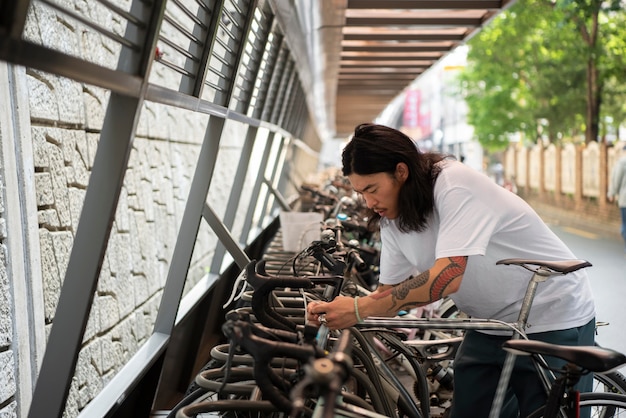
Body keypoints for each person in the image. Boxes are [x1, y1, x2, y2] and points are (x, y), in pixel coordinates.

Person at [308, 123, 596, 417]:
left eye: (372, 189)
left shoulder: (453, 185)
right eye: (360, 193)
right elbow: (389, 295)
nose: (368, 202)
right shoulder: (391, 219)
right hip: (491, 324)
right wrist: (336, 311)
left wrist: (359, 308)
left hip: (552, 316)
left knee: (547, 411)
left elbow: (447, 278)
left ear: (401, 171)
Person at [608, 144, 626, 251]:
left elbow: (616, 180)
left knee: (625, 225)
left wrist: (612, 193)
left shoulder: (622, 162)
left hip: (624, 200)